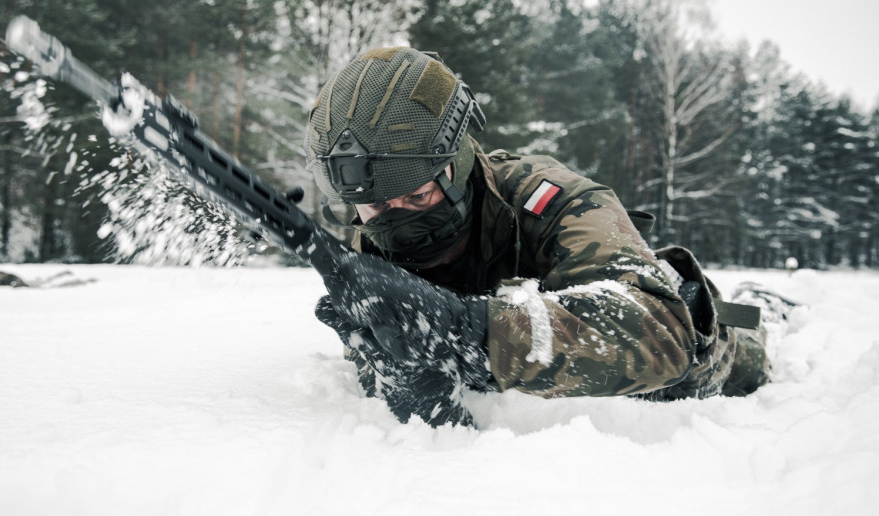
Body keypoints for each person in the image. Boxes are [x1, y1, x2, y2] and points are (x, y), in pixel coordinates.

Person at [306, 47, 772, 427]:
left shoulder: (548, 197)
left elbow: (662, 332)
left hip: (695, 361)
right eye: (375, 205)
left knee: (729, 341)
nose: (393, 217)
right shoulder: (372, 242)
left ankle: (768, 308)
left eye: (417, 196)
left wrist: (470, 332)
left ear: (456, 163)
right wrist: (385, 353)